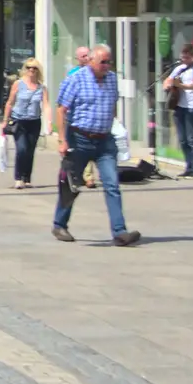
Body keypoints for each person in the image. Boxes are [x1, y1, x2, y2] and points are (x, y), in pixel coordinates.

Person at [53, 43, 140, 246]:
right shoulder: (76, 79)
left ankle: (120, 232)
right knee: (71, 185)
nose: (107, 65)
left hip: (104, 140)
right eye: (103, 62)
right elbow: (61, 110)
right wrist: (62, 140)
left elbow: (111, 106)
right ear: (91, 61)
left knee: (112, 183)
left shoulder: (111, 79)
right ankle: (59, 224)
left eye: (109, 61)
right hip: (79, 138)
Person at [2, 58, 48, 189]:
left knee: (30, 150)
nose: (31, 70)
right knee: (21, 149)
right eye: (28, 67)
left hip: (34, 121)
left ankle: (26, 178)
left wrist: (49, 122)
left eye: (34, 68)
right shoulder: (18, 84)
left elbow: (46, 105)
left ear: (38, 71)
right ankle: (18, 178)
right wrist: (5, 120)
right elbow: (10, 102)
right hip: (19, 121)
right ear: (25, 69)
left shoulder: (41, 88)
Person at [164, 42, 193, 178]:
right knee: (183, 140)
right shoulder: (180, 68)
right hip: (180, 107)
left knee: (192, 139)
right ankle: (188, 166)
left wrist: (180, 85)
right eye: (182, 57)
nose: (184, 60)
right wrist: (168, 85)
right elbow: (168, 80)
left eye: (186, 57)